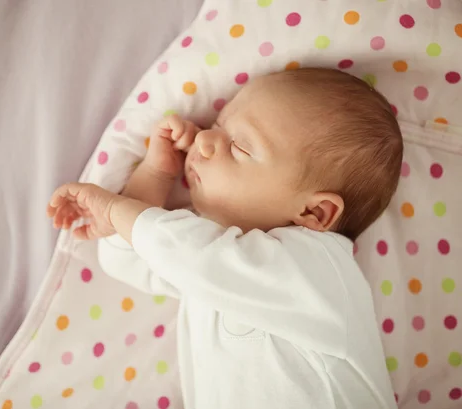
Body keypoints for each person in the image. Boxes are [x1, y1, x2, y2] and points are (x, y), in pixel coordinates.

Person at [47, 68, 402, 409]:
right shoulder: (212, 257)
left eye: (241, 147)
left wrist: (114, 211)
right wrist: (156, 173)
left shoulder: (318, 270)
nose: (204, 138)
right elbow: (129, 257)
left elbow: (181, 251)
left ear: (315, 214)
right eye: (218, 124)